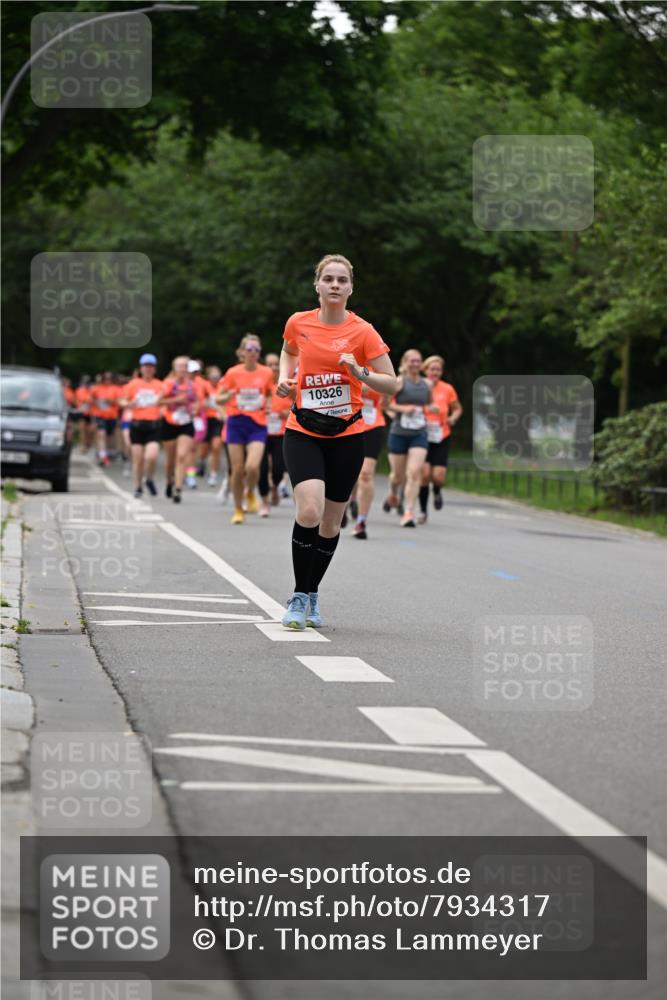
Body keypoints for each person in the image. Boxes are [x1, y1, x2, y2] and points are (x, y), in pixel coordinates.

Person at [276, 253, 397, 630]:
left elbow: (391, 383)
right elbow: (288, 351)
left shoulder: (363, 331)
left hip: (347, 435)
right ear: (317, 285)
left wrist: (360, 372)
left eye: (341, 280)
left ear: (350, 288)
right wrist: (284, 379)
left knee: (331, 523)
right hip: (303, 430)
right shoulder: (299, 322)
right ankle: (299, 596)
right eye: (328, 278)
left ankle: (312, 593)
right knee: (309, 511)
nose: (334, 285)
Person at [218, 335, 273, 525]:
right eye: (249, 349)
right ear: (242, 352)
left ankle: (250, 492)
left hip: (257, 424)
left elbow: (269, 393)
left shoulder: (266, 372)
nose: (253, 353)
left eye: (257, 349)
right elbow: (218, 398)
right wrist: (228, 396)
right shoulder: (233, 373)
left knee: (252, 467)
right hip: (236, 422)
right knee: (237, 469)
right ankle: (238, 509)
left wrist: (268, 404)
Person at [384, 349, 432, 527]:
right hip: (399, 433)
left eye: (418, 361)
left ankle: (408, 512)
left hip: (419, 433)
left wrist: (431, 409)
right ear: (404, 363)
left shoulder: (427, 384)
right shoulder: (398, 382)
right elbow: (384, 404)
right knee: (398, 476)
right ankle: (393, 491)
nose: (415, 364)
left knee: (413, 473)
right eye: (412, 361)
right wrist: (403, 410)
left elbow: (429, 404)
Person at [418, 354, 463, 523]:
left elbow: (457, 408)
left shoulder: (447, 388)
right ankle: (423, 511)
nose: (435, 372)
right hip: (422, 434)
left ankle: (436, 491)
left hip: (441, 435)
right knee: (424, 475)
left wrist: (453, 418)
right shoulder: (418, 386)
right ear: (425, 370)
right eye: (432, 369)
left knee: (438, 476)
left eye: (438, 370)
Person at [119, 354, 164, 498]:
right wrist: (128, 404)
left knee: (152, 456)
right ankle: (138, 486)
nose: (148, 369)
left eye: (151, 366)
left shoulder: (160, 385)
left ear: (154, 369)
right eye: (145, 366)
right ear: (141, 368)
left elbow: (165, 402)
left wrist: (163, 409)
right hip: (137, 425)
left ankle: (149, 479)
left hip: (153, 425)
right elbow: (121, 401)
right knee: (138, 459)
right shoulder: (133, 384)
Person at [161, 356, 205, 503]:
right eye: (179, 366)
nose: (182, 369)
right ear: (174, 368)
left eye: (184, 366)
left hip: (186, 423)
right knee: (170, 459)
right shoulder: (168, 384)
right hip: (169, 423)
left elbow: (199, 403)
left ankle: (178, 488)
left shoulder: (194, 386)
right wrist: (176, 400)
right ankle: (169, 481)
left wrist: (195, 409)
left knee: (181, 456)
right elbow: (158, 401)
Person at [350, 381, 391, 539]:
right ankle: (345, 504)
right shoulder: (347, 365)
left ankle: (361, 521)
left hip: (372, 425)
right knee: (346, 471)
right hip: (347, 423)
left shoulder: (380, 369)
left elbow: (386, 403)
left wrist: (384, 391)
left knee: (366, 474)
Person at [258, 352, 293, 516]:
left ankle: (275, 487)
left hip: (281, 432)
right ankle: (265, 502)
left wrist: (287, 413)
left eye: (275, 364)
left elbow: (298, 404)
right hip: (261, 431)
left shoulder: (286, 385)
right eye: (269, 364)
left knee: (279, 468)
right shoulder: (259, 385)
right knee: (262, 468)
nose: (273, 368)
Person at [197, 365, 225, 487]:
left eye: (217, 376)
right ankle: (202, 461)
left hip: (218, 420)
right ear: (208, 377)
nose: (215, 378)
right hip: (206, 420)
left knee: (216, 447)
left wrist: (222, 412)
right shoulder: (204, 386)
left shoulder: (223, 387)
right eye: (213, 376)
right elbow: (200, 402)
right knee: (203, 449)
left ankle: (213, 474)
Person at [89, 371, 120, 466]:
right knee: (101, 434)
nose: (107, 381)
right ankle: (102, 456)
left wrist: (111, 401)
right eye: (105, 379)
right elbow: (90, 399)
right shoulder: (96, 388)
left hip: (112, 416)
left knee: (110, 436)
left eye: (109, 379)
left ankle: (108, 453)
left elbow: (120, 401)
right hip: (100, 415)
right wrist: (96, 401)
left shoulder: (116, 389)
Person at [74, 376, 94, 452]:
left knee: (89, 430)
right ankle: (82, 445)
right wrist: (89, 399)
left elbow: (93, 400)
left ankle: (88, 443)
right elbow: (83, 399)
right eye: (85, 382)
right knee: (82, 430)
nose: (87, 384)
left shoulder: (92, 390)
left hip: (90, 413)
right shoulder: (80, 390)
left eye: (88, 382)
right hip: (82, 412)